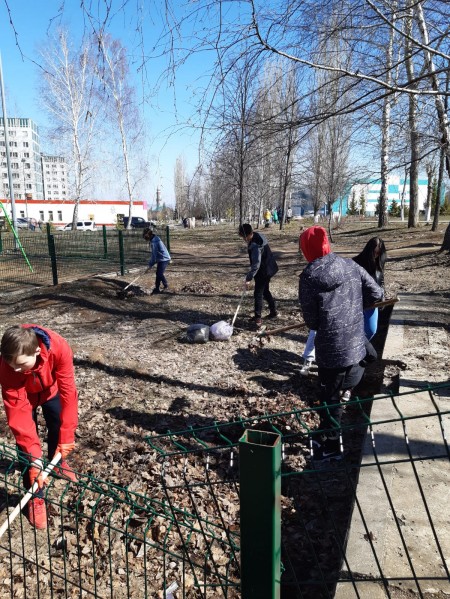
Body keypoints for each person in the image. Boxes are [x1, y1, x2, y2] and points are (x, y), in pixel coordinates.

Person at [298, 226, 383, 462]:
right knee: (352, 372)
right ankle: (327, 430)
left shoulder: (308, 277)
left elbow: (312, 321)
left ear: (306, 249)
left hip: (331, 350)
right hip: (355, 340)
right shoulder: (350, 265)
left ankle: (332, 448)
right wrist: (353, 306)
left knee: (330, 398)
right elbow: (376, 293)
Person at [0, 325, 78, 529]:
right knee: (25, 447)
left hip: (51, 389)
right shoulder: (8, 368)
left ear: (36, 351)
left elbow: (69, 393)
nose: (16, 370)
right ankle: (35, 495)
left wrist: (67, 435)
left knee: (59, 423)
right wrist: (34, 458)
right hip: (25, 396)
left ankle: (57, 461)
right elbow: (18, 414)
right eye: (12, 365)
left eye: (21, 365)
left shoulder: (59, 347)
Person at [239, 223, 279, 327]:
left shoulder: (256, 245)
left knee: (258, 293)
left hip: (264, 271)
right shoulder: (257, 236)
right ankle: (273, 311)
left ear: (248, 234)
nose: (243, 239)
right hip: (269, 267)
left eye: (243, 237)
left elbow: (256, 264)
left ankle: (258, 319)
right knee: (265, 291)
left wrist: (249, 277)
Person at [353, 237, 387, 340]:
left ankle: (362, 350)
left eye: (378, 254)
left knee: (371, 330)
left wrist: (382, 296)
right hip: (357, 303)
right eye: (374, 253)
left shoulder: (379, 264)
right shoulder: (355, 263)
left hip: (372, 304)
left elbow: (381, 283)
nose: (376, 256)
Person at [143, 227, 171, 295]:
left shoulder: (154, 242)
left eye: (145, 236)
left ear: (148, 235)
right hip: (161, 258)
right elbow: (155, 255)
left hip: (164, 258)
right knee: (158, 273)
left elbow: (153, 256)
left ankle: (165, 285)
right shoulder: (155, 238)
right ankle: (157, 288)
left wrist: (150, 266)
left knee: (159, 274)